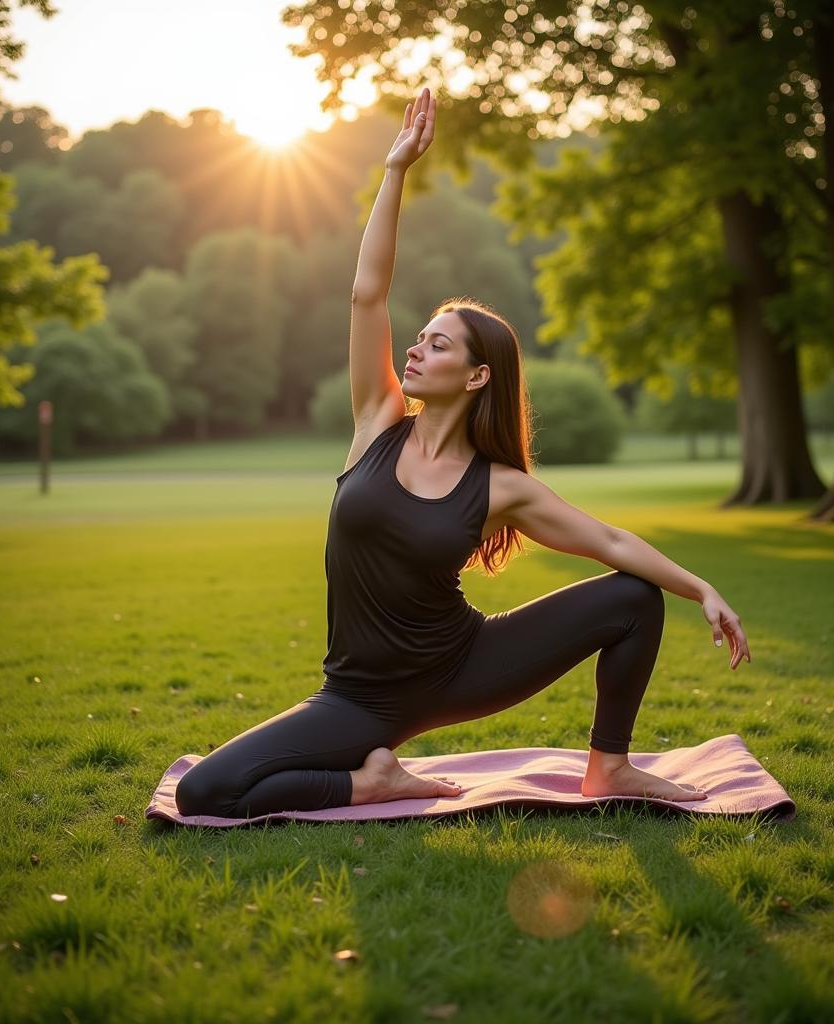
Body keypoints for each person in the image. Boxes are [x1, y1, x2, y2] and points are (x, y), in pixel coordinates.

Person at [174, 88, 751, 820]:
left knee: (632, 596)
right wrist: (395, 173)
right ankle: (373, 781)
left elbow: (607, 540)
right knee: (206, 792)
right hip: (358, 698)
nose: (416, 346)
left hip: (460, 668)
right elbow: (364, 296)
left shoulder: (500, 487)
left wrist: (701, 588)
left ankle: (610, 766)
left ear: (477, 376)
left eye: (438, 343)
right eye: (420, 337)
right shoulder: (377, 423)